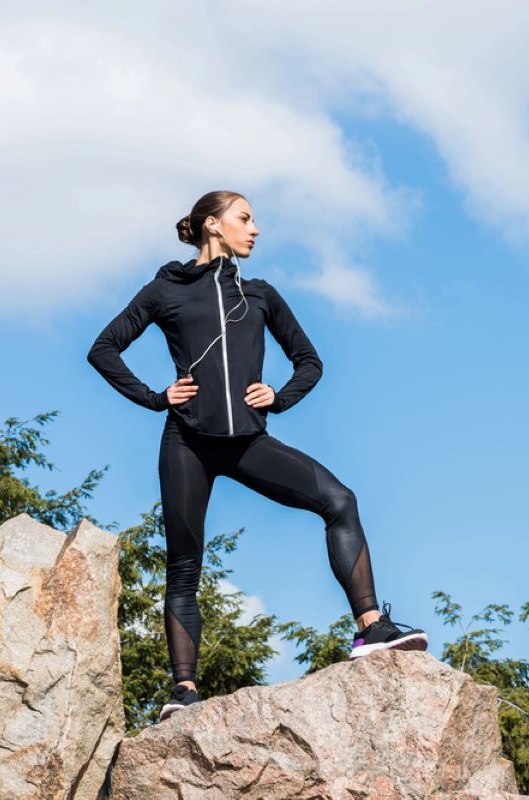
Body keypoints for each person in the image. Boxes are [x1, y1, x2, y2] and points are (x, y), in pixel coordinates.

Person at [87, 190, 427, 723]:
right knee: (184, 567)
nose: (256, 229)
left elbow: (309, 361)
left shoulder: (262, 295)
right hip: (187, 444)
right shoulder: (164, 291)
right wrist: (156, 397)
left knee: (341, 500)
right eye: (245, 218)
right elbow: (103, 349)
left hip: (248, 443)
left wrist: (280, 395)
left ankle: (370, 628)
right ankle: (183, 692)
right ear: (213, 225)